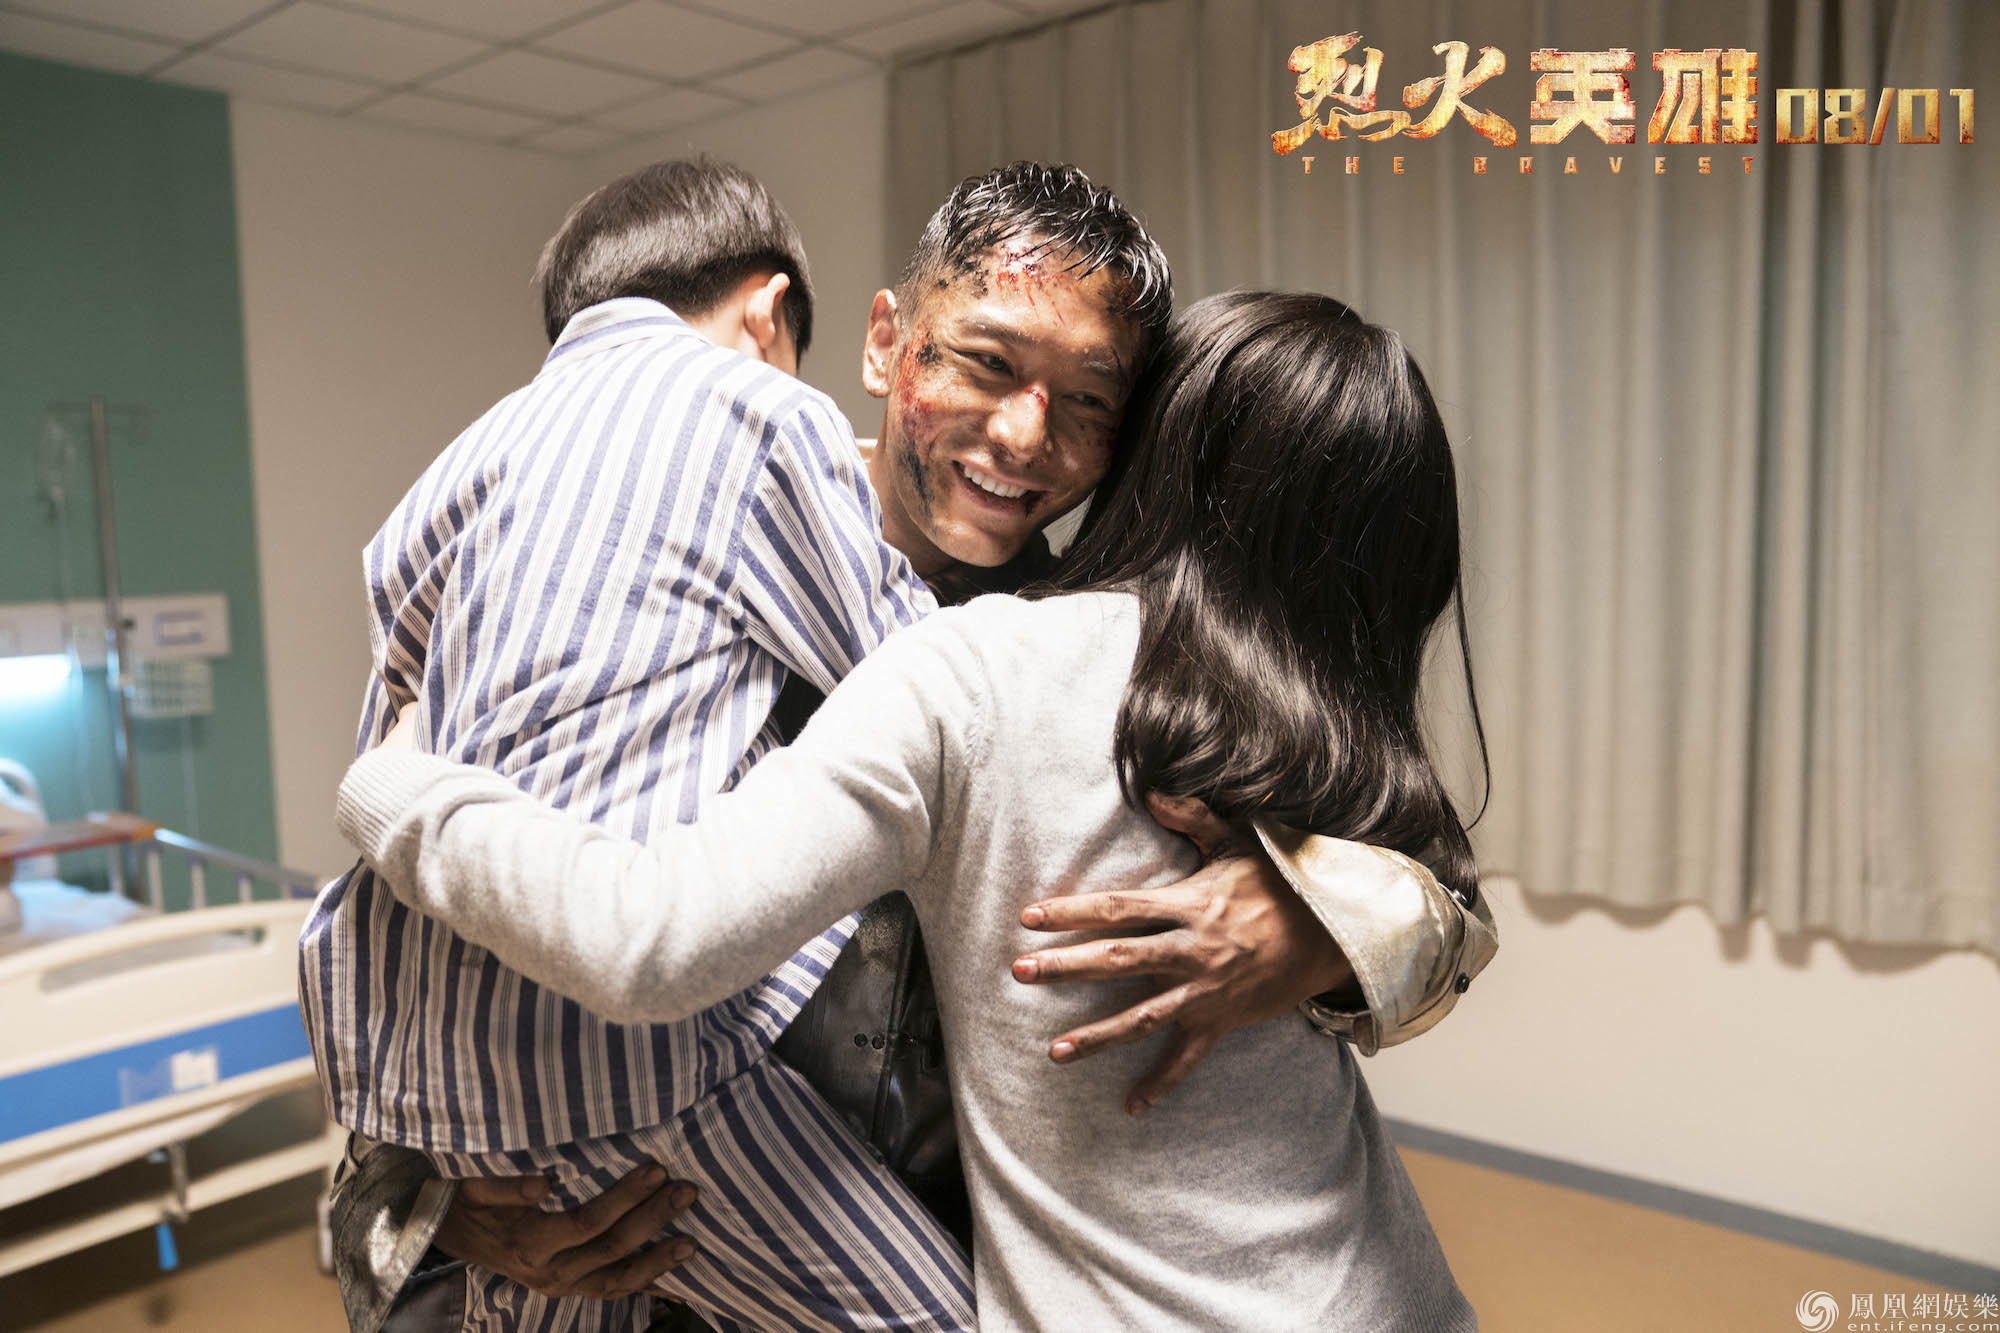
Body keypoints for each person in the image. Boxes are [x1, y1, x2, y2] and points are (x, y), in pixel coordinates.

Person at [306, 160, 1369, 1333]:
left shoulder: (1109, 663)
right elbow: (414, 938)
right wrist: (438, 1204)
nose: (1024, 435)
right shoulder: (640, 562)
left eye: (1087, 404)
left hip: (928, 1251)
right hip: (615, 1237)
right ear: (884, 345)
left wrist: (1320, 922)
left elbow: (1426, 893)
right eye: (985, 363)